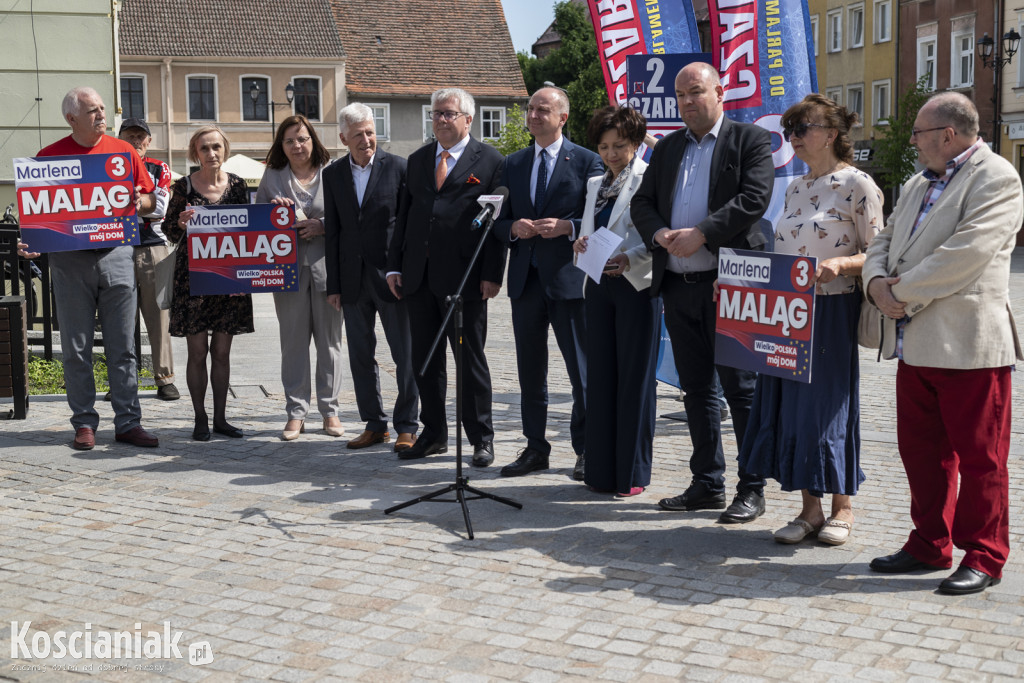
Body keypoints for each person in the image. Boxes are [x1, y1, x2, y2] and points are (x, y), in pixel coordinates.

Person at [863, 92, 1023, 595]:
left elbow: (966, 253)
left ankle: (985, 555)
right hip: (915, 345)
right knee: (922, 453)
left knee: (981, 460)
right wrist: (874, 284)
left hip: (969, 345)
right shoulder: (916, 183)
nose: (912, 142)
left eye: (918, 133)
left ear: (947, 135)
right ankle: (930, 542)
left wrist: (899, 295)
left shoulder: (997, 177)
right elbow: (884, 241)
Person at [631, 62, 774, 523]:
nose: (687, 102)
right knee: (695, 390)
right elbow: (642, 202)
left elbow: (754, 198)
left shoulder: (748, 140)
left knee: (741, 391)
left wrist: (702, 234)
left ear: (720, 92)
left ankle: (752, 487)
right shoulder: (669, 147)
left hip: (730, 285)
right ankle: (707, 482)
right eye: (680, 95)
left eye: (696, 92)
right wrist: (659, 235)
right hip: (678, 285)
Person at [738, 94, 883, 545]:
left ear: (832, 134)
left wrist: (841, 265)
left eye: (803, 129)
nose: (794, 138)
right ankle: (809, 509)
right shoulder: (797, 187)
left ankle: (843, 506)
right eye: (790, 131)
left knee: (829, 406)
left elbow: (880, 253)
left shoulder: (858, 185)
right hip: (788, 312)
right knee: (793, 409)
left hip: (832, 308)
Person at [17, 87, 159, 450]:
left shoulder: (124, 151)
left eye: (101, 108)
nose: (101, 114)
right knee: (76, 347)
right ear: (72, 119)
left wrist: (137, 199)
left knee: (124, 346)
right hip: (69, 262)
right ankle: (84, 423)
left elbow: (148, 201)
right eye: (92, 110)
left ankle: (128, 422)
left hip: (116, 254)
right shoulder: (48, 157)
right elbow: (40, 213)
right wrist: (29, 241)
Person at [386, 87, 506, 464]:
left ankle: (481, 438)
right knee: (425, 359)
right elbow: (403, 217)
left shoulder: (489, 160)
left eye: (448, 113)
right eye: (436, 113)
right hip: (418, 278)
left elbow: (497, 226)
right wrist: (395, 265)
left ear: (468, 119)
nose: (440, 119)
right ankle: (434, 433)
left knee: (470, 361)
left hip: (465, 279)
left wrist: (491, 274)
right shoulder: (419, 159)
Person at [494, 87, 603, 479]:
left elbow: (601, 217)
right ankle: (535, 447)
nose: (534, 114)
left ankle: (587, 448)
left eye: (543, 109)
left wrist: (567, 226)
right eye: (531, 108)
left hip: (569, 280)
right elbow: (497, 218)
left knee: (581, 371)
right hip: (526, 280)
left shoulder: (588, 162)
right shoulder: (513, 163)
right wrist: (512, 227)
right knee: (530, 370)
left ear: (562, 118)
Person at [324, 103, 419, 453]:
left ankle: (408, 425)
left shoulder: (399, 168)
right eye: (358, 135)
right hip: (352, 280)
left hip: (391, 277)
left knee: (404, 353)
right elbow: (333, 232)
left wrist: (404, 272)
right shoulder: (333, 175)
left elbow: (407, 227)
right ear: (343, 138)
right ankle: (375, 425)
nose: (366, 140)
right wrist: (334, 285)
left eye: (370, 132)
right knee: (361, 355)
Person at [572, 106, 656, 496]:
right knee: (601, 378)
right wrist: (580, 244)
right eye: (604, 147)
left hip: (636, 285)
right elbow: (589, 230)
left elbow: (659, 235)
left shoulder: (649, 178)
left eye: (619, 146)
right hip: (598, 286)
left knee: (634, 381)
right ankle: (601, 471)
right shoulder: (594, 184)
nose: (610, 154)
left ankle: (631, 474)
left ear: (636, 144)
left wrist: (630, 259)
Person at [255, 115, 345, 441]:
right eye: (290, 140)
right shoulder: (273, 176)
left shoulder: (333, 172)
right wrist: (272, 213)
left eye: (303, 139)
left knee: (330, 343)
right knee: (293, 343)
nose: (297, 145)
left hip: (327, 269)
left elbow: (349, 217)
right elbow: (257, 222)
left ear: (314, 140)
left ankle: (330, 411)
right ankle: (296, 413)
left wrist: (323, 226)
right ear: (281, 145)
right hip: (286, 270)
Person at [164, 126, 253, 442]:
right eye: (205, 148)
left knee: (222, 352)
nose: (212, 153)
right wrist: (179, 223)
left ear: (224, 149)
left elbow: (248, 231)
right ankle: (200, 418)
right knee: (198, 351)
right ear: (195, 153)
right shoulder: (183, 187)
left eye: (216, 147)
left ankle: (221, 419)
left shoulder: (239, 186)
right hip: (193, 279)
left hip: (229, 278)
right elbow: (170, 234)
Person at [117, 118, 179, 402]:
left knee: (159, 317)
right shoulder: (109, 167)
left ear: (149, 141)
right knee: (119, 319)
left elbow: (160, 208)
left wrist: (126, 205)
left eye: (140, 136)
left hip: (153, 247)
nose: (136, 141)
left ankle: (165, 378)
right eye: (129, 135)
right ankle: (122, 381)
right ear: (119, 138)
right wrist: (140, 202)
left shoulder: (159, 168)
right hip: (117, 248)